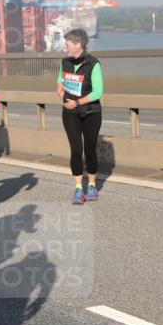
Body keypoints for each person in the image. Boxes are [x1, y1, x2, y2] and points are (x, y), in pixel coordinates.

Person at [57, 28, 104, 204]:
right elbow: (59, 86)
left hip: (91, 113)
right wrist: (62, 96)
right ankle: (78, 188)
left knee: (89, 150)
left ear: (78, 45)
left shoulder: (93, 64)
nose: (65, 48)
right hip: (70, 113)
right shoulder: (65, 63)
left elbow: (98, 92)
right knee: (76, 150)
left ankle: (91, 185)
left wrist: (77, 102)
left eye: (68, 44)